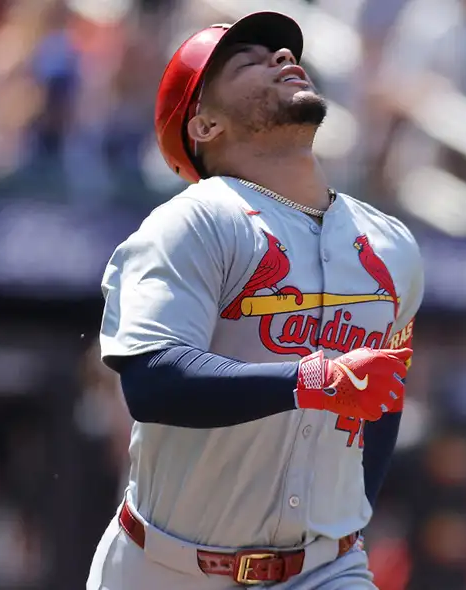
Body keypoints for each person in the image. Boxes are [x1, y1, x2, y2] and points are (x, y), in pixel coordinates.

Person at [86, 12, 424, 590]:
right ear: (205, 124)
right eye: (248, 61)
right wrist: (313, 380)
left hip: (324, 570)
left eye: (284, 54)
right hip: (168, 568)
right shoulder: (194, 221)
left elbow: (383, 400)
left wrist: (349, 521)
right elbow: (154, 380)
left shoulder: (392, 244)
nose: (282, 58)